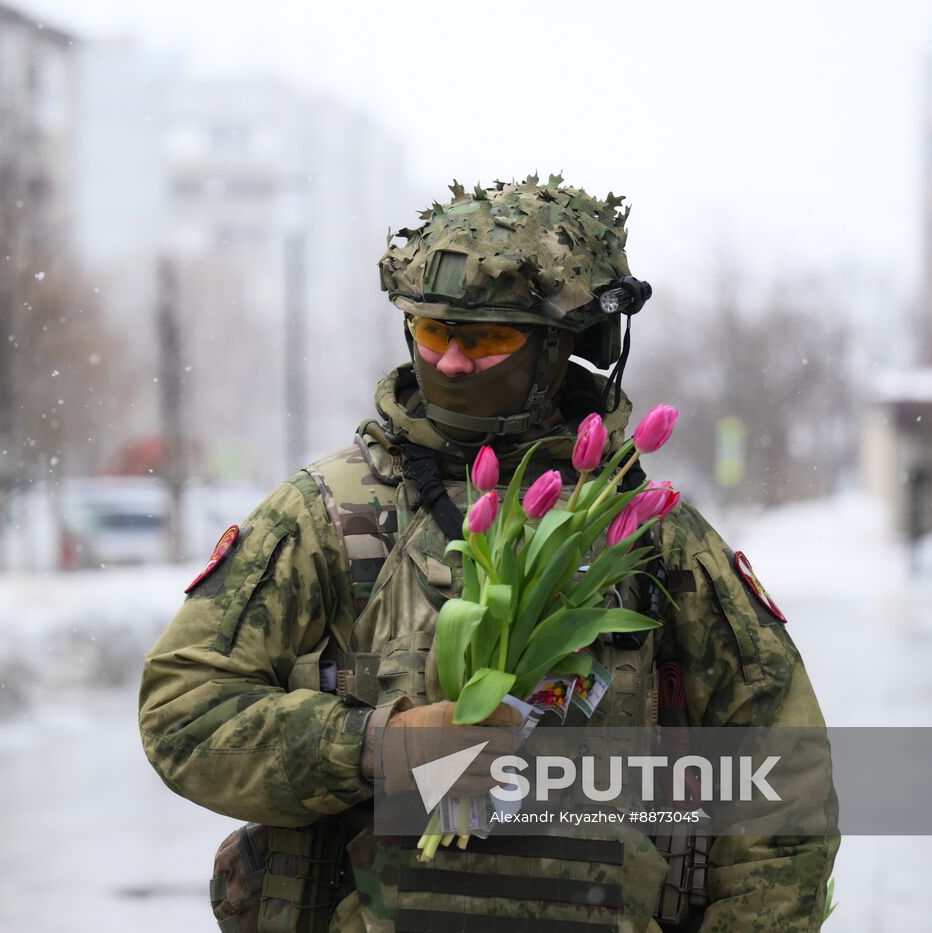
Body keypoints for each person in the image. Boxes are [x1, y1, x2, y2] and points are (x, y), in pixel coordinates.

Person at [139, 175, 838, 932]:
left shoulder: (649, 533)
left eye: (485, 339)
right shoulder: (326, 517)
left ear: (566, 343)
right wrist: (377, 743)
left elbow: (784, 781)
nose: (452, 362)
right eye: (433, 332)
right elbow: (184, 714)